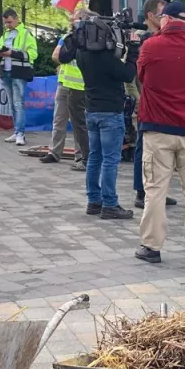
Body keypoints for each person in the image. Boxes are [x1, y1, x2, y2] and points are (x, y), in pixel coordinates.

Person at [134, 1, 185, 264]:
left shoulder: (151, 46)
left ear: (165, 20)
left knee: (155, 190)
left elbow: (142, 77)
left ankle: (151, 247)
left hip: (158, 129)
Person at [59, 12, 137, 219]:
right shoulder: (106, 58)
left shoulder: (82, 54)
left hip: (91, 110)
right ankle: (110, 203)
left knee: (94, 157)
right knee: (111, 160)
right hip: (110, 112)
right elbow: (128, 73)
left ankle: (94, 200)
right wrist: (134, 52)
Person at [132, 0, 175, 209]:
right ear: (151, 16)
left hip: (162, 102)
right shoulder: (140, 39)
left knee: (163, 149)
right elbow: (135, 76)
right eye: (162, 14)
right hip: (146, 103)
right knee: (144, 147)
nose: (166, 18)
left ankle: (159, 189)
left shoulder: (163, 38)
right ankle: (141, 191)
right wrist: (140, 100)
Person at [43, 8, 89, 170]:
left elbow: (60, 56)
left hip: (79, 86)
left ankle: (80, 156)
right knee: (59, 120)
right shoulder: (67, 37)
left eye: (75, 18)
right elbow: (56, 56)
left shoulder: (90, 40)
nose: (72, 21)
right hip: (64, 83)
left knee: (79, 124)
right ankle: (54, 152)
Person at [0, 9, 38, 146]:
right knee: (13, 105)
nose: (7, 25)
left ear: (16, 19)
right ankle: (16, 131)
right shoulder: (5, 34)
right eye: (5, 23)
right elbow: (1, 49)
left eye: (9, 22)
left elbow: (33, 54)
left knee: (18, 104)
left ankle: (20, 133)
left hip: (19, 73)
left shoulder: (26, 33)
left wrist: (12, 53)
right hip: (6, 72)